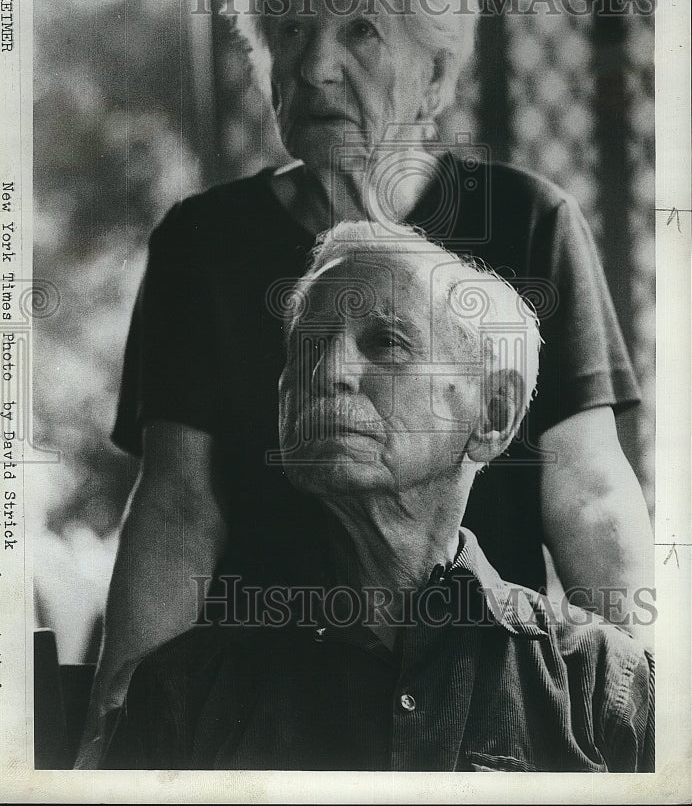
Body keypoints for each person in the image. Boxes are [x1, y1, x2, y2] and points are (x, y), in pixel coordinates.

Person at [77, 0, 653, 765]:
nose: (313, 67)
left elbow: (588, 492)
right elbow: (178, 505)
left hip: (477, 689)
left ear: (434, 72)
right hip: (269, 694)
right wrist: (123, 719)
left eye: (359, 31)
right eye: (292, 33)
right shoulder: (205, 244)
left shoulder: (525, 221)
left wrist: (635, 699)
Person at [99, 223, 654, 772]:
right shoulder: (182, 691)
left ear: (495, 414)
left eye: (387, 342)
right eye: (306, 349)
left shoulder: (603, 683)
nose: (328, 372)